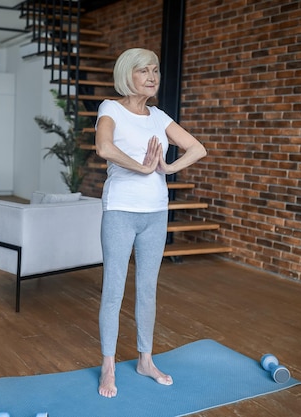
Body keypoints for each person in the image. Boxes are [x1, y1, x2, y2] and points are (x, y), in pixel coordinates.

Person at [95, 47, 207, 398]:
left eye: (155, 70)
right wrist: (141, 166)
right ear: (128, 75)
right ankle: (108, 366)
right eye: (144, 71)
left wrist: (166, 168)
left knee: (147, 289)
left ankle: (146, 359)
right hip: (120, 210)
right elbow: (104, 148)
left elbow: (197, 148)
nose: (152, 77)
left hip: (156, 211)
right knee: (114, 291)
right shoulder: (110, 108)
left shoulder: (159, 116)